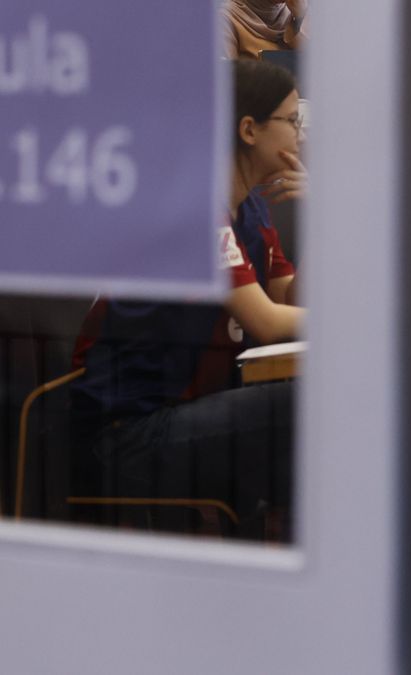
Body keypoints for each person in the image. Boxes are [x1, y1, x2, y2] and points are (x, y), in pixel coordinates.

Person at [70, 60, 308, 541]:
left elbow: (292, 300)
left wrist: (322, 218)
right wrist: (362, 320)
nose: (300, 135)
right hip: (126, 434)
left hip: (189, 413)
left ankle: (266, 569)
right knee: (307, 404)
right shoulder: (194, 205)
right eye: (291, 120)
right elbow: (268, 322)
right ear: (249, 129)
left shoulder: (252, 208)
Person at [223, 0, 308, 60]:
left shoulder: (297, 11)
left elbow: (317, 67)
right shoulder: (226, 20)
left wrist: (299, 19)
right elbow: (227, 81)